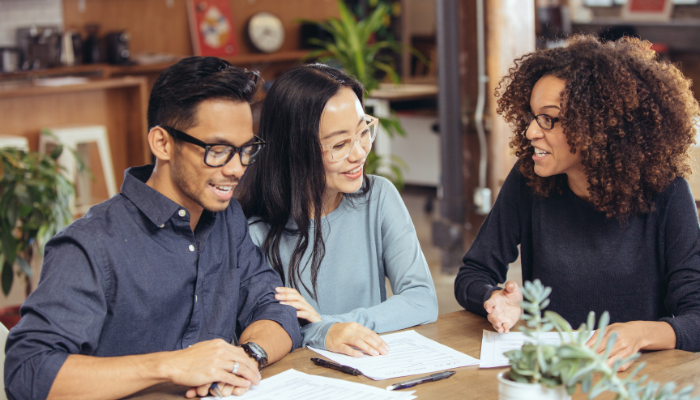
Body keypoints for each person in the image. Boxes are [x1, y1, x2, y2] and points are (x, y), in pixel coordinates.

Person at [4, 57, 301, 400]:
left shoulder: (227, 218)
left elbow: (275, 308)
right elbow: (29, 369)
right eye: (218, 150)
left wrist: (245, 360)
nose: (237, 169)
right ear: (162, 143)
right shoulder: (91, 244)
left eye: (246, 150)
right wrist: (170, 365)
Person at [454, 35, 700, 369]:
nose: (530, 132)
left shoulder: (667, 192)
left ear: (598, 127)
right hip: (552, 374)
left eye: (548, 119)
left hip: (636, 380)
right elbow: (474, 273)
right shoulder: (529, 179)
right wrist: (494, 298)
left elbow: (697, 317)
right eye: (532, 116)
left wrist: (641, 334)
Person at [236, 64, 438, 357]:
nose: (359, 153)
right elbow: (256, 334)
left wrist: (328, 326)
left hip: (371, 370)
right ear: (294, 150)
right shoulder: (253, 231)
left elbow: (422, 300)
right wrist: (322, 333)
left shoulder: (378, 197)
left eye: (363, 132)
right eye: (340, 144)